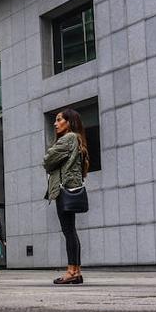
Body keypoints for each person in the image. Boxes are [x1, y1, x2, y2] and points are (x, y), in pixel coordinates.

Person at [43, 108, 90, 285]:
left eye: (58, 120)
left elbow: (47, 160)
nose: (55, 123)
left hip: (64, 190)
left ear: (68, 122)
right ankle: (76, 271)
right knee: (71, 231)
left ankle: (71, 271)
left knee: (68, 231)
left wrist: (50, 157)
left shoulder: (69, 138)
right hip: (69, 188)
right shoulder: (76, 139)